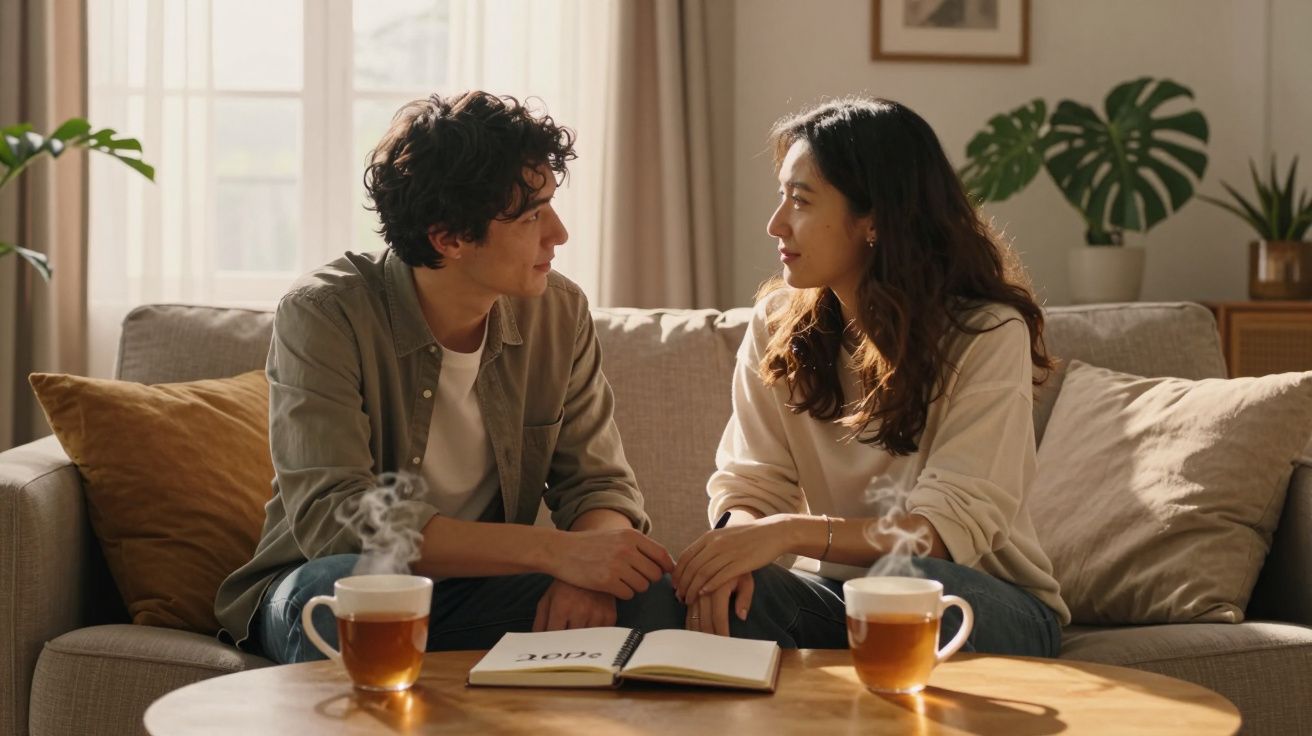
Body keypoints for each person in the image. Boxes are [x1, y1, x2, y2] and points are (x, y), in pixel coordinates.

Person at [215, 91, 683, 663]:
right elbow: (338, 517)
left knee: (651, 593)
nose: (557, 234)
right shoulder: (325, 313)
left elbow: (598, 484)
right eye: (532, 215)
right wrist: (552, 553)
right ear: (449, 238)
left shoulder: (559, 313)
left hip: (476, 589)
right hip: (323, 583)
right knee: (344, 591)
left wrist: (589, 568)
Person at [672, 97, 1070, 656]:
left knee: (908, 580)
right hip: (844, 595)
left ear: (875, 219)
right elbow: (752, 482)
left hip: (980, 601)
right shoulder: (777, 324)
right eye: (781, 196)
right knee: (726, 593)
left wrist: (787, 532)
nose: (776, 222)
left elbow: (938, 534)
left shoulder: (985, 333)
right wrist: (736, 544)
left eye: (801, 200)